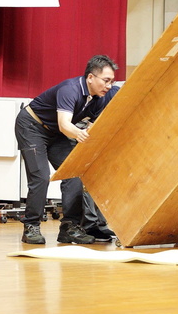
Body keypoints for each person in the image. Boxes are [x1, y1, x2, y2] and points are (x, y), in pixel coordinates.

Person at [15, 55, 119, 245]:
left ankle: (69, 227)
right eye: (106, 80)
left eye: (112, 81)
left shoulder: (104, 94)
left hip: (57, 134)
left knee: (75, 173)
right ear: (90, 78)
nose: (109, 85)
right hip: (32, 126)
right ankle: (31, 227)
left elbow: (130, 94)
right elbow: (64, 125)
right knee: (40, 176)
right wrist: (83, 135)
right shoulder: (70, 89)